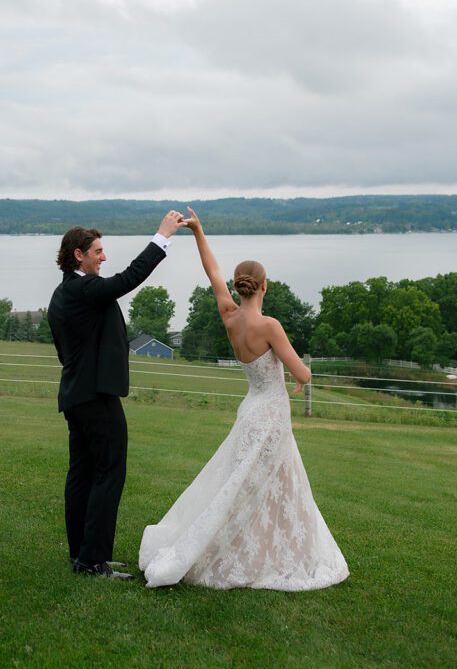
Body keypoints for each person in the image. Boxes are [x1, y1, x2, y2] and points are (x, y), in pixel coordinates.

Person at [139, 207, 349, 590]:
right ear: (264, 286)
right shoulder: (270, 326)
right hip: (270, 412)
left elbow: (211, 271)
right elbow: (301, 372)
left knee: (245, 484)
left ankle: (259, 545)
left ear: (239, 287)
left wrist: (199, 232)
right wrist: (304, 378)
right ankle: (263, 553)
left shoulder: (229, 315)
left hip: (250, 408)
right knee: (269, 484)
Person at [48, 210, 186, 580]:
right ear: (79, 255)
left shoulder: (62, 295)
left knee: (81, 474)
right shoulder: (83, 289)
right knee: (109, 472)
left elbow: (66, 351)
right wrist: (162, 237)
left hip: (76, 395)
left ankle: (82, 554)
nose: (103, 257)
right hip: (96, 397)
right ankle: (93, 561)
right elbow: (128, 279)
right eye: (98, 251)